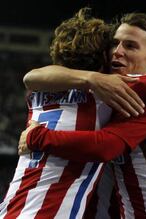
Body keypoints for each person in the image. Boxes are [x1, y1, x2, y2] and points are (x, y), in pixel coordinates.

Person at [18, 12, 146, 218]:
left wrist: (37, 137)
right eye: (115, 44)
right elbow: (32, 77)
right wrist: (92, 78)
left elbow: (104, 146)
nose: (118, 52)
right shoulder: (104, 95)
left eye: (130, 46)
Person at [0, 8, 116, 219]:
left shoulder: (37, 94)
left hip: (11, 208)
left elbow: (32, 77)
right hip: (47, 213)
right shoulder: (103, 98)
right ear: (103, 58)